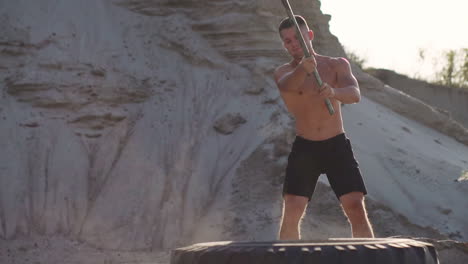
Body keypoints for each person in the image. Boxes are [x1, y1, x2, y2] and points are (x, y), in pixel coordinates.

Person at [273, 15, 374, 240]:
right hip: (305, 147)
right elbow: (287, 86)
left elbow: (354, 94)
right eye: (287, 41)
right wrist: (303, 69)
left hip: (336, 144)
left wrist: (333, 92)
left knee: (355, 206)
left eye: (297, 37)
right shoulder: (283, 72)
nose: (293, 44)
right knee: (292, 209)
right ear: (284, 45)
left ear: (309, 35)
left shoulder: (337, 64)